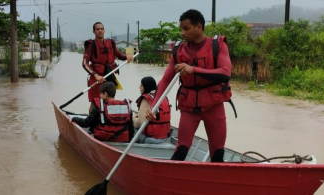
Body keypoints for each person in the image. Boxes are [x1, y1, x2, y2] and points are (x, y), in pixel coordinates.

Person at [146, 9, 232, 162]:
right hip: (189, 107)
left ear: (199, 27)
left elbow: (225, 73)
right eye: (182, 29)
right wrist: (154, 105)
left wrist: (194, 70)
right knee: (181, 150)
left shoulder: (217, 46)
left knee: (217, 154)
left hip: (214, 105)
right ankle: (170, 181)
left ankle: (215, 184)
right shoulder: (179, 51)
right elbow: (166, 80)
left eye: (186, 28)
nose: (182, 33)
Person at [83, 22, 134, 113]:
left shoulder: (110, 43)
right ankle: (91, 122)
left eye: (102, 29)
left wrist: (127, 56)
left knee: (110, 101)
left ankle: (108, 122)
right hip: (97, 78)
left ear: (104, 30)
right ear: (94, 31)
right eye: (97, 29)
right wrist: (96, 75)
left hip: (109, 75)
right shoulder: (91, 44)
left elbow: (120, 55)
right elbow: (84, 63)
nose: (100, 31)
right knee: (95, 102)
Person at [133, 76, 171, 144]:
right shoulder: (163, 97)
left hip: (151, 139)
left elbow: (139, 123)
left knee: (130, 125)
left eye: (141, 86)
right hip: (164, 137)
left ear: (146, 87)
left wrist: (132, 119)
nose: (139, 87)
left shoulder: (145, 99)